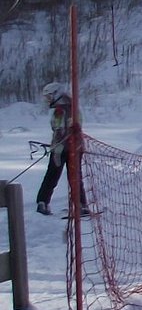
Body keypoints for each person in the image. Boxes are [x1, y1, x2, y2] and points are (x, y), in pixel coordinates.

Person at [35, 82, 88, 217]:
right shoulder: (68, 107)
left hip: (68, 149)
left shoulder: (63, 109)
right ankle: (80, 205)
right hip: (68, 147)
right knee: (68, 177)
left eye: (49, 97)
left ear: (56, 94)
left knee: (63, 176)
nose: (48, 100)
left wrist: (58, 145)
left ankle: (44, 202)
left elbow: (62, 130)